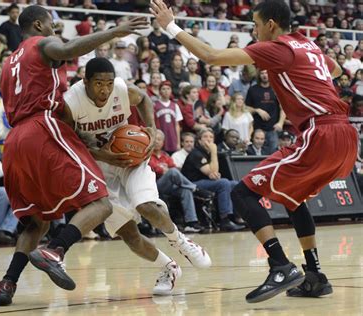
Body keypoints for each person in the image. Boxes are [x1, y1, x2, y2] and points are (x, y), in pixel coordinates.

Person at [150, 0, 357, 303]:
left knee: (241, 193)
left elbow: (212, 55)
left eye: (256, 25)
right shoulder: (306, 44)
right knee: (294, 198)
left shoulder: (278, 47)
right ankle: (314, 275)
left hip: (321, 132)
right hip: (346, 135)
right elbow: (337, 69)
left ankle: (280, 266)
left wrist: (170, 25)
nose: (254, 31)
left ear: (271, 25)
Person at [0, 5, 148, 306]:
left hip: (14, 142)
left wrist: (77, 131)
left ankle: (7, 283)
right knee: (101, 203)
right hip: (41, 128)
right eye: (52, 24)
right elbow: (68, 48)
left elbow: (43, 101)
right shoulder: (40, 43)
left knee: (35, 222)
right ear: (38, 25)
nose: (55, 30)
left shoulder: (9, 62)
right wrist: (116, 31)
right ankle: (56, 250)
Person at [63, 57, 211, 295]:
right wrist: (103, 155)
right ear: (86, 81)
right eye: (99, 83)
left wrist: (151, 127)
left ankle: (181, 242)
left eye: (109, 83)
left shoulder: (121, 89)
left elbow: (142, 99)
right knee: (129, 234)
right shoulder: (71, 102)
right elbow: (68, 143)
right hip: (99, 168)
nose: (105, 89)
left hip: (130, 157)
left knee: (146, 205)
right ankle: (169, 267)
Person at [182, 129, 245, 231]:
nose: (209, 139)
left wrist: (214, 173)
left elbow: (214, 173)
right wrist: (214, 152)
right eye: (205, 137)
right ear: (199, 141)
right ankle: (225, 220)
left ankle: (236, 216)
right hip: (192, 184)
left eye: (211, 137)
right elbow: (212, 171)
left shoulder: (208, 153)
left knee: (234, 184)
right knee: (224, 183)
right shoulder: (196, 153)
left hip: (205, 182)